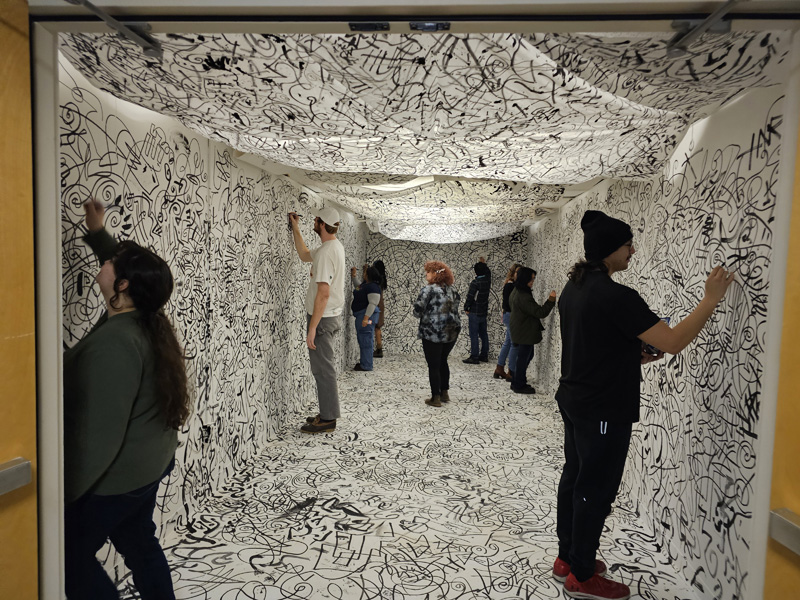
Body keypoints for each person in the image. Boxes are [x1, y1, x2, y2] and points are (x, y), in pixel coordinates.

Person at [554, 210, 735, 600]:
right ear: (609, 251)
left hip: (575, 399)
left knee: (575, 478)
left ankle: (567, 557)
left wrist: (628, 353)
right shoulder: (618, 296)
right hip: (602, 408)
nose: (632, 250)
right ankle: (582, 576)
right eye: (627, 245)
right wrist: (710, 299)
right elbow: (671, 342)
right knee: (595, 489)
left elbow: (592, 340)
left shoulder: (575, 286)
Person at [64, 199, 191, 600]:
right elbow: (120, 266)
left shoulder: (117, 344)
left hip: (119, 477)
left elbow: (98, 436)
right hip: (149, 463)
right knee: (139, 545)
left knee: (65, 557)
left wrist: (63, 497)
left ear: (121, 285)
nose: (106, 263)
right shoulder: (140, 314)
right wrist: (97, 230)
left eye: (112, 264)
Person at [289, 206, 346, 434]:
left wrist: (312, 328)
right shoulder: (332, 247)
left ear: (322, 224)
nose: (313, 220)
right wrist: (295, 228)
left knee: (323, 369)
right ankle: (326, 411)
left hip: (322, 319)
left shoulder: (325, 253)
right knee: (323, 367)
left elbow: (323, 293)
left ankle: (329, 419)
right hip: (329, 317)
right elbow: (304, 254)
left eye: (316, 219)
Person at [413, 261, 462, 407]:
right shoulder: (452, 290)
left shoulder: (428, 290)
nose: (426, 274)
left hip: (432, 332)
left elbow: (417, 311)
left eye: (428, 271)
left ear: (436, 273)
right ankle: (444, 392)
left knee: (433, 365)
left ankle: (435, 398)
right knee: (443, 361)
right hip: (451, 332)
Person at [509, 267, 556, 393]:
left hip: (520, 329)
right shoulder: (524, 296)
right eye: (531, 279)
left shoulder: (516, 291)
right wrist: (551, 300)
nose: (533, 281)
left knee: (525, 356)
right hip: (524, 331)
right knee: (524, 357)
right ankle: (519, 384)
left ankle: (517, 381)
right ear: (525, 279)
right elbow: (540, 312)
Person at [350, 264, 382, 371]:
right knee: (364, 338)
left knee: (366, 339)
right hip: (363, 315)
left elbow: (373, 303)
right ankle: (365, 363)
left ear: (368, 275)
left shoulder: (373, 287)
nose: (363, 274)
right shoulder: (366, 285)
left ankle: (366, 365)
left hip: (367, 316)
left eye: (365, 273)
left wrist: (365, 318)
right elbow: (358, 287)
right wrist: (353, 276)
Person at [493, 262, 521, 381]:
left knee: (508, 342)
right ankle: (511, 371)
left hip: (507, 315)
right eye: (517, 272)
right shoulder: (511, 286)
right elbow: (510, 304)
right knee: (514, 343)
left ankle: (500, 368)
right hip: (510, 316)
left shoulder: (509, 285)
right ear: (513, 273)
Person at [462, 258, 491, 364]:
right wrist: (484, 265)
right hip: (483, 311)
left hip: (474, 311)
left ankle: (474, 356)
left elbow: (470, 297)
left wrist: (466, 308)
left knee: (474, 334)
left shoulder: (475, 282)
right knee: (483, 334)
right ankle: (484, 355)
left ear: (475, 272)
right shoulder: (487, 280)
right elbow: (488, 273)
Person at [372, 260, 388, 358]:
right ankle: (379, 348)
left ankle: (379, 349)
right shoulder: (382, 279)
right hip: (380, 304)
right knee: (378, 327)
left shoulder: (376, 280)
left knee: (376, 327)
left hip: (377, 304)